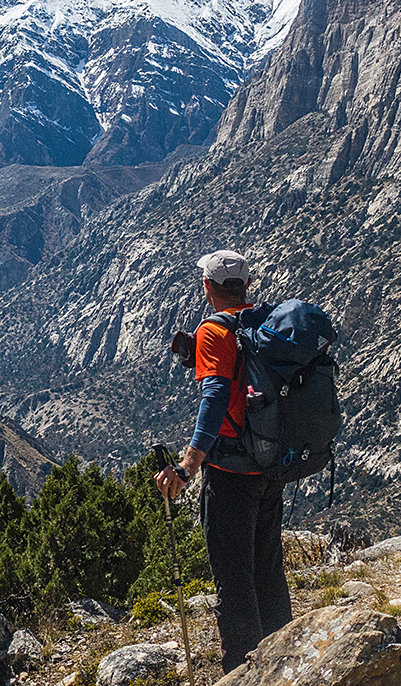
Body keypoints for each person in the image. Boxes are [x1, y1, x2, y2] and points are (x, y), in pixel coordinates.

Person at [155, 248, 291, 673]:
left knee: (234, 580)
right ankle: (285, 662)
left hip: (231, 471)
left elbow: (214, 398)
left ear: (208, 287)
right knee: (267, 568)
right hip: (270, 464)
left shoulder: (215, 330)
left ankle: (242, 671)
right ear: (247, 287)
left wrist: (186, 467)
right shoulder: (263, 321)